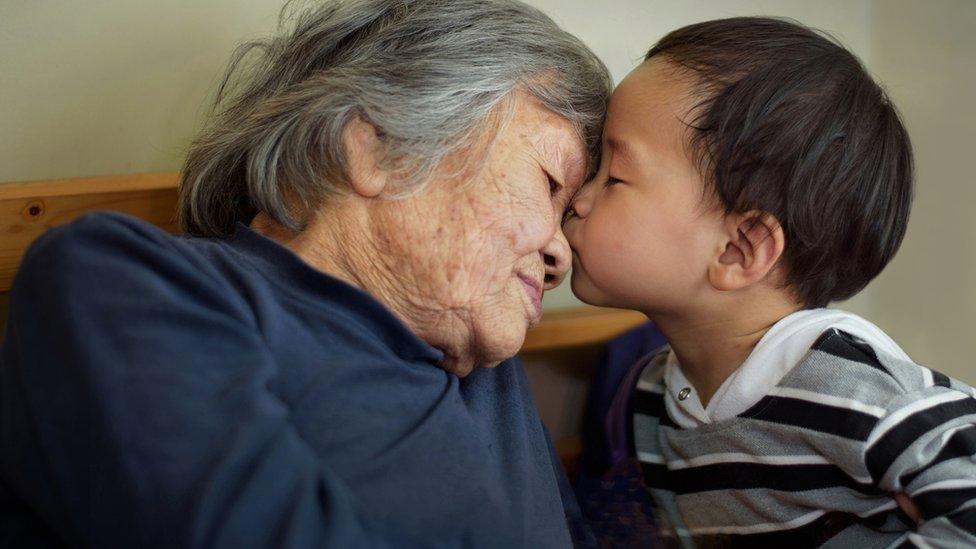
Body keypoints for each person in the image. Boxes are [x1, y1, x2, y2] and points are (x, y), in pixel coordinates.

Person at [0, 1, 613, 547]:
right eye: (551, 183)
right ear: (378, 150)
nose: (561, 252)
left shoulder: (487, 370)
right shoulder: (126, 284)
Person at [563, 16, 976, 547]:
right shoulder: (647, 396)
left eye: (613, 177)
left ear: (739, 250)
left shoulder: (846, 383)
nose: (578, 199)